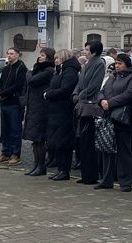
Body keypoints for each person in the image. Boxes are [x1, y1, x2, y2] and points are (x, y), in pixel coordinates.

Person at [98, 52, 132, 192]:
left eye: (120, 63)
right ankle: (106, 179)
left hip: (123, 119)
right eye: (116, 63)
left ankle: (125, 181)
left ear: (127, 64)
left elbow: (128, 95)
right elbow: (103, 90)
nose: (117, 66)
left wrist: (110, 103)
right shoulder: (112, 77)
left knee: (124, 150)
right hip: (109, 116)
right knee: (107, 149)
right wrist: (102, 101)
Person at [44, 48, 81, 181]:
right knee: (57, 141)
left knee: (63, 142)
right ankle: (60, 169)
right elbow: (54, 86)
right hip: (56, 110)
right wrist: (48, 92)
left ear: (63, 58)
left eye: (57, 58)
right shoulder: (60, 71)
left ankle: (64, 170)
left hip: (64, 111)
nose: (55, 61)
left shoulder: (69, 71)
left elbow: (65, 90)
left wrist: (49, 94)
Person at [74, 39, 107, 185]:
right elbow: (80, 82)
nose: (85, 52)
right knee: (83, 141)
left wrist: (80, 95)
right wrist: (75, 94)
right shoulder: (87, 64)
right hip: (81, 103)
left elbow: (94, 86)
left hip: (90, 106)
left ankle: (91, 175)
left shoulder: (99, 64)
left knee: (88, 142)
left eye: (87, 50)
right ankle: (85, 174)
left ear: (94, 51)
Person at [23, 48, 55, 176]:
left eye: (42, 55)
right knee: (35, 139)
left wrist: (30, 72)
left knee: (40, 138)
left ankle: (41, 166)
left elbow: (31, 79)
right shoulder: (39, 69)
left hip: (41, 107)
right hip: (34, 106)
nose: (39, 57)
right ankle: (36, 164)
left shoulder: (48, 70)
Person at [0, 47, 28, 166]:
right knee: (5, 130)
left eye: (11, 53)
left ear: (17, 55)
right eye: (8, 53)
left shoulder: (21, 68)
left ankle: (15, 154)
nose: (9, 55)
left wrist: (3, 93)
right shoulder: (6, 68)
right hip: (5, 102)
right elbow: (1, 82)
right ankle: (5, 152)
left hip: (14, 102)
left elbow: (18, 85)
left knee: (15, 130)